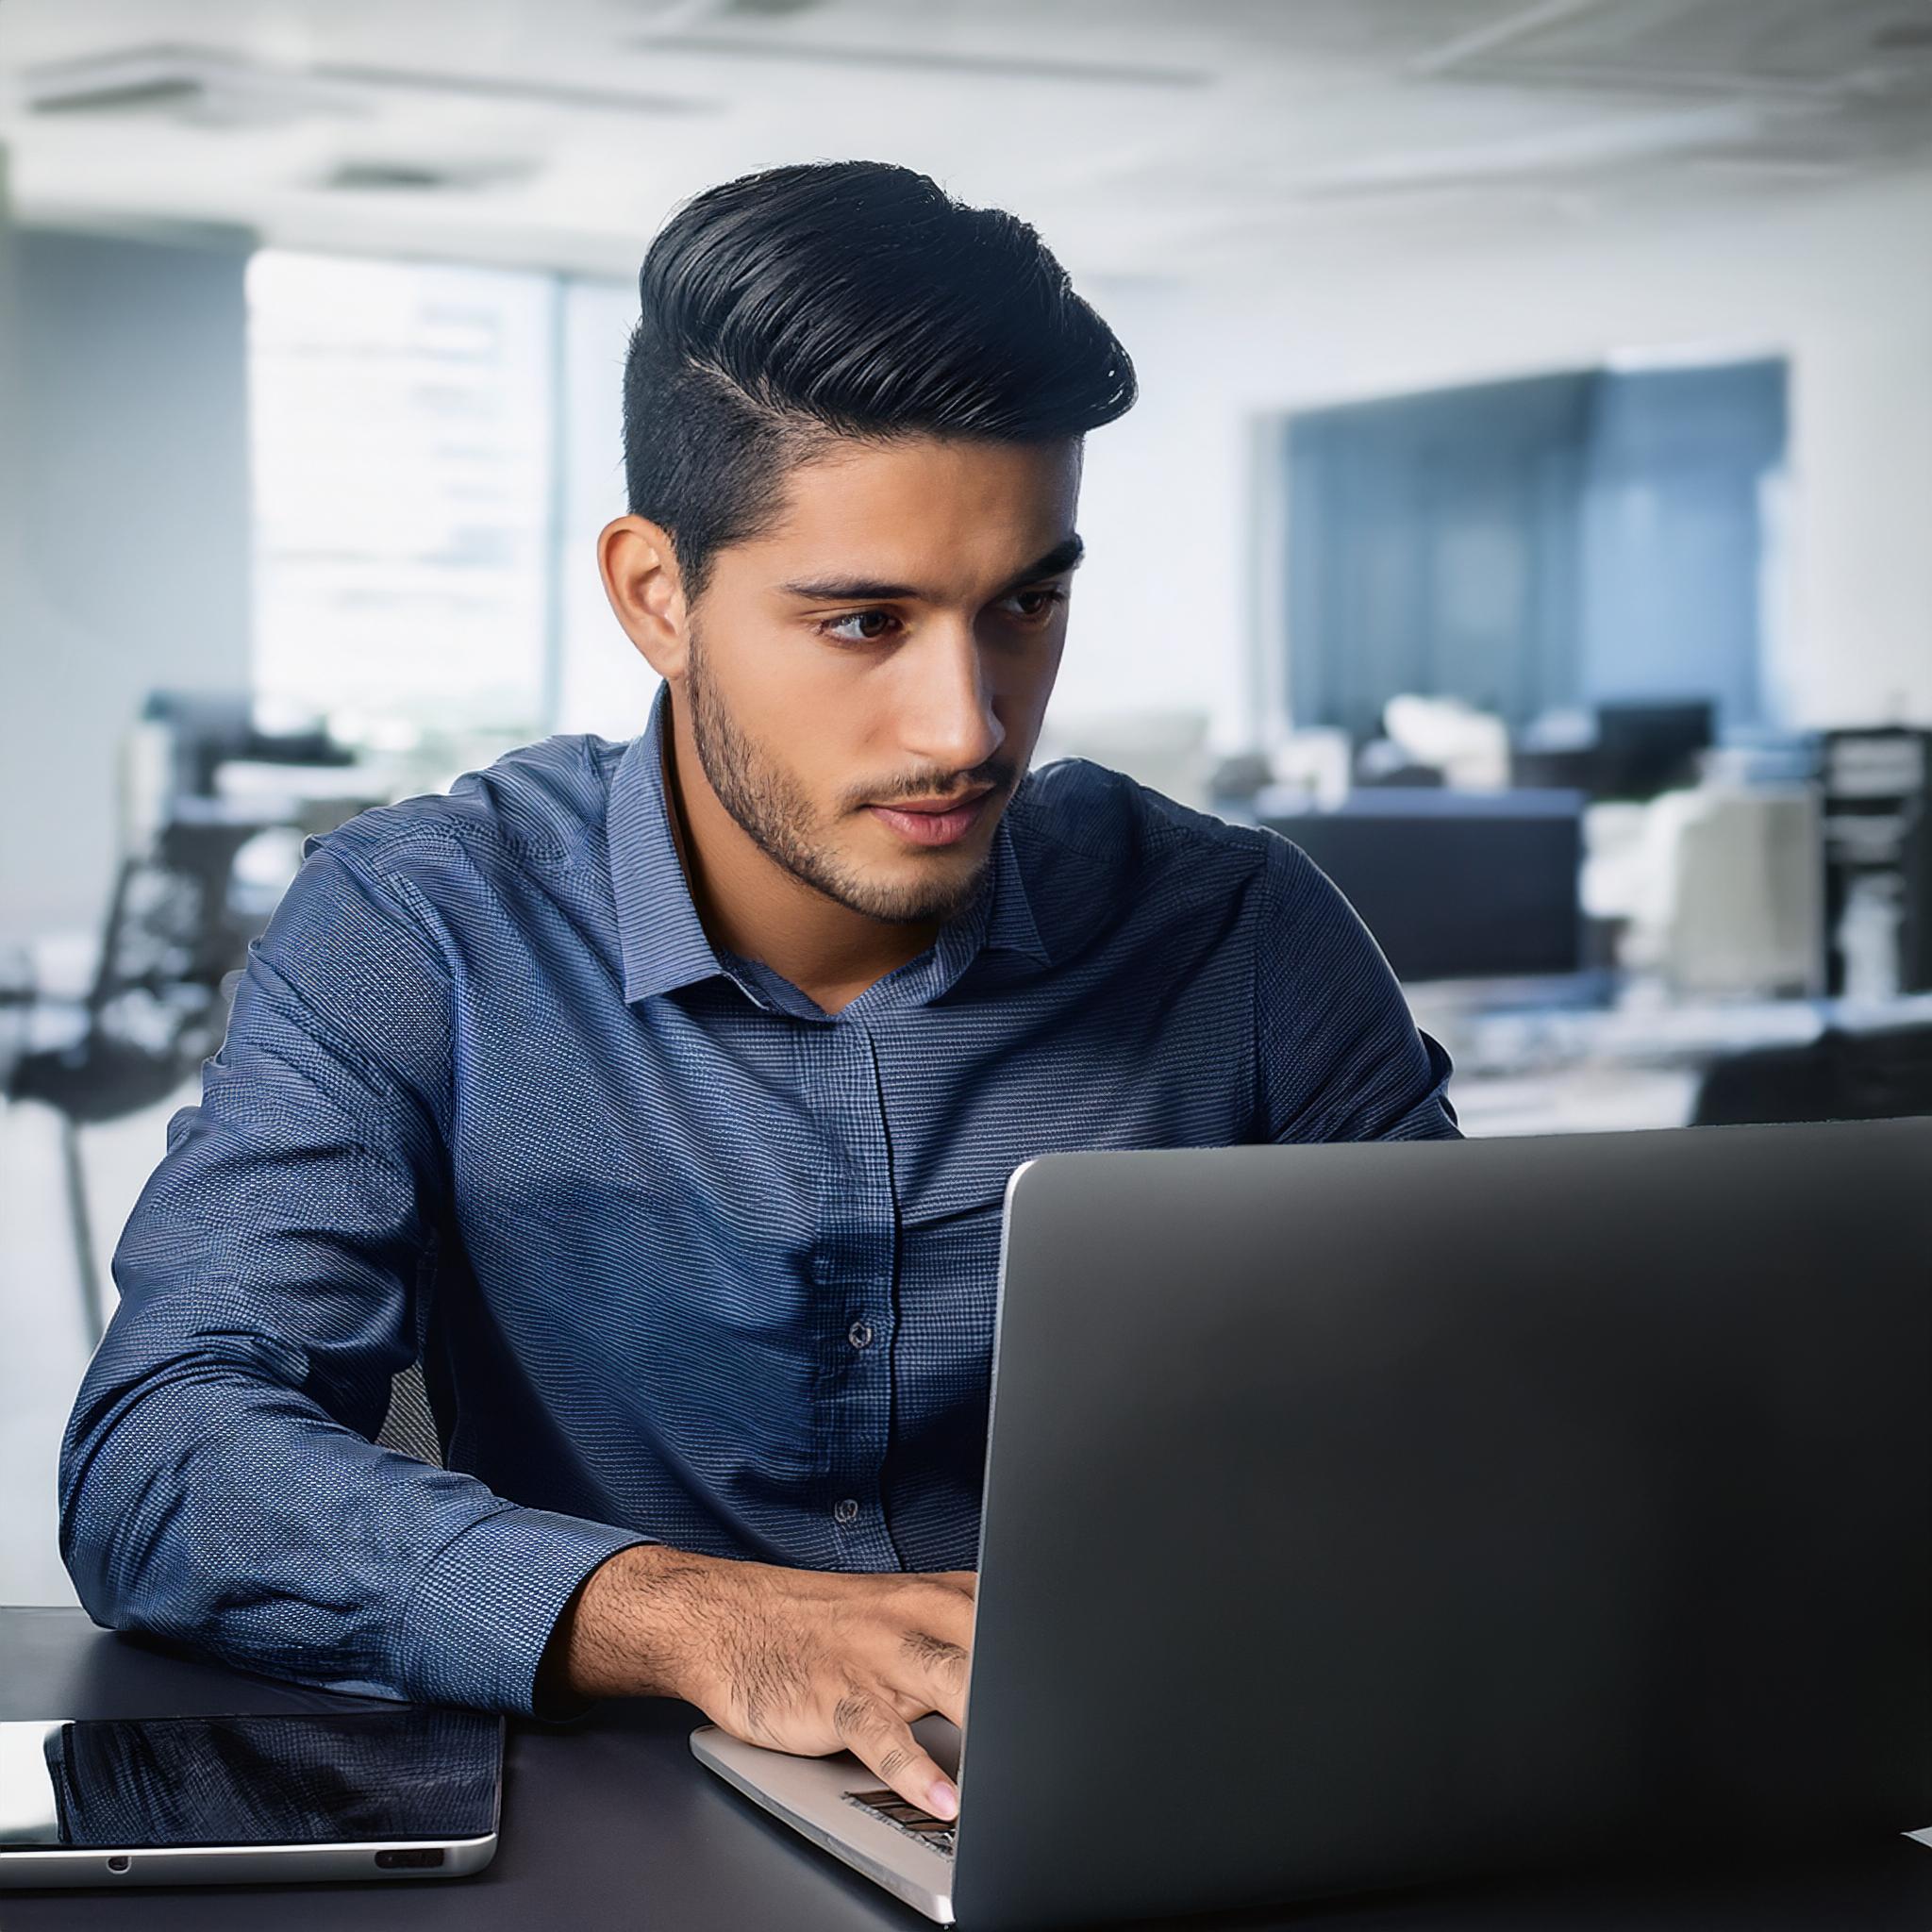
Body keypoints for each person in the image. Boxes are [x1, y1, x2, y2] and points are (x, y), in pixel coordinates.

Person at [59, 159, 1457, 1825]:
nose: (970, 726)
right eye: (864, 620)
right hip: (619, 1842)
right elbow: (167, 1460)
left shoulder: (1241, 937)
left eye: (1025, 603)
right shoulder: (424, 924)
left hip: (1148, 1807)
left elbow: (1484, 1421)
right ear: (660, 595)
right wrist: (687, 1618)